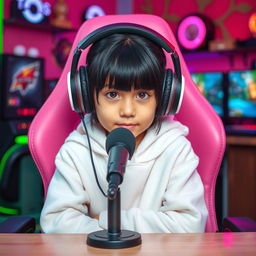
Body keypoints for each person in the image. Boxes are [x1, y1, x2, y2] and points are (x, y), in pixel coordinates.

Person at [40, 31, 208, 233]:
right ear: (86, 95)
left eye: (142, 95)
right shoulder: (76, 151)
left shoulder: (177, 150)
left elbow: (190, 225)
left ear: (164, 98)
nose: (127, 111)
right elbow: (56, 225)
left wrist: (107, 221)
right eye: (112, 94)